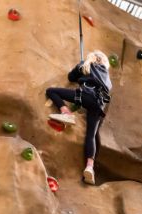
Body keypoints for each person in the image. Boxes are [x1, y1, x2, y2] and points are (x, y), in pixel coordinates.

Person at [46, 51, 112, 185]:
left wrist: (81, 67)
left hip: (86, 96)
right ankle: (89, 167)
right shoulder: (107, 78)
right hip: (99, 105)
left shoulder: (88, 65)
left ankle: (66, 113)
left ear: (93, 58)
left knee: (51, 91)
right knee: (91, 136)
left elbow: (71, 77)